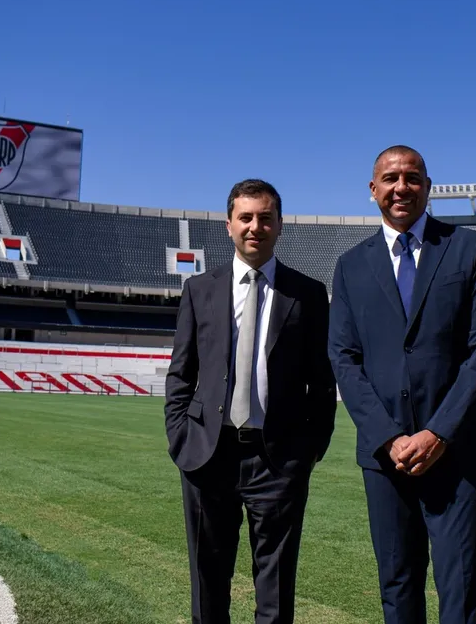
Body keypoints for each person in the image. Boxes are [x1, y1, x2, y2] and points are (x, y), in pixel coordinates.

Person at [329, 145, 476, 624]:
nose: (401, 187)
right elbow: (344, 360)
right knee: (398, 585)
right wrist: (389, 437)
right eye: (390, 178)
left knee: (462, 588)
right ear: (373, 190)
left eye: (412, 177)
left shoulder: (470, 249)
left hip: (457, 451)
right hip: (385, 457)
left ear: (428, 187)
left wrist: (438, 432)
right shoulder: (350, 266)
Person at [165, 179, 336, 624]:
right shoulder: (199, 289)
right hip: (208, 454)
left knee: (275, 592)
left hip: (277, 459)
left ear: (279, 225)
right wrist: (181, 437)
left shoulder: (308, 294)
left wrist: (310, 450)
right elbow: (180, 373)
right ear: (229, 225)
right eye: (245, 217)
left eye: (265, 218)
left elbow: (322, 381)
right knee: (207, 585)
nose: (255, 226)